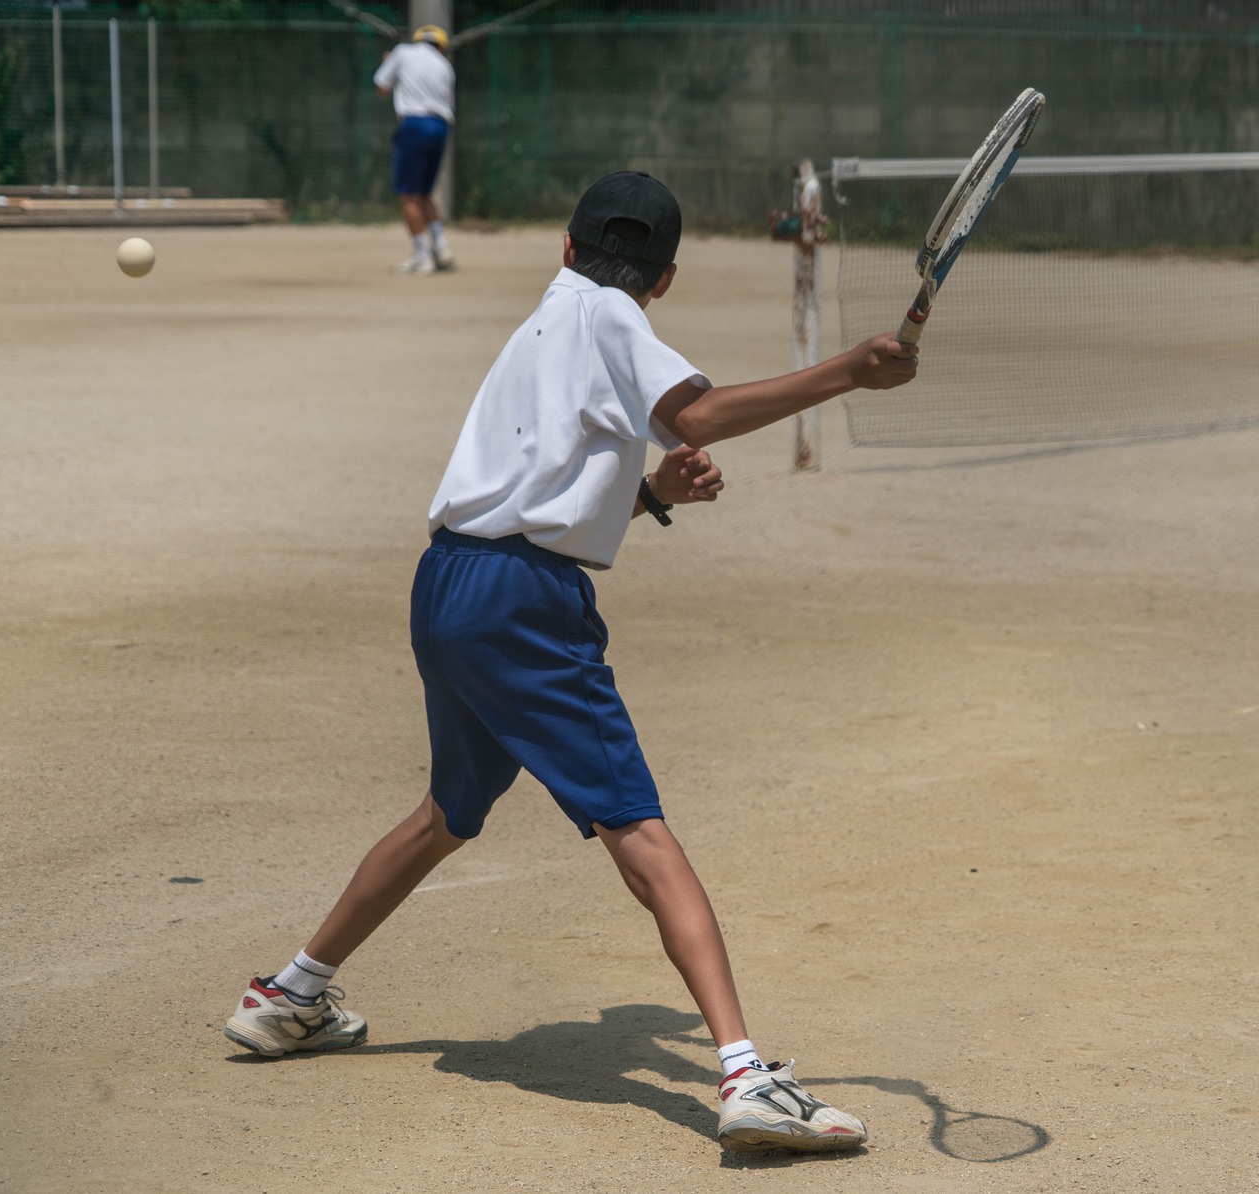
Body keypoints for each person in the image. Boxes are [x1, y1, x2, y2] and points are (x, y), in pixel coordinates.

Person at [224, 171, 918, 1153]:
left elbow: (536, 493)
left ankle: (287, 993)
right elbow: (702, 415)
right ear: (665, 279)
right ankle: (741, 1075)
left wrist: (649, 494)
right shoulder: (613, 320)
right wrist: (848, 369)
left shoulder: (544, 322)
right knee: (636, 827)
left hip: (449, 583)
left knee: (444, 815)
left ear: (564, 246)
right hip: (522, 609)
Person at [373, 24, 456, 276]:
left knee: (408, 194)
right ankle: (441, 247)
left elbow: (382, 87)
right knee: (424, 192)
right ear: (441, 46)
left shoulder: (402, 52)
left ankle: (422, 256)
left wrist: (392, 65)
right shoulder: (446, 66)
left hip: (414, 124)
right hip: (440, 127)